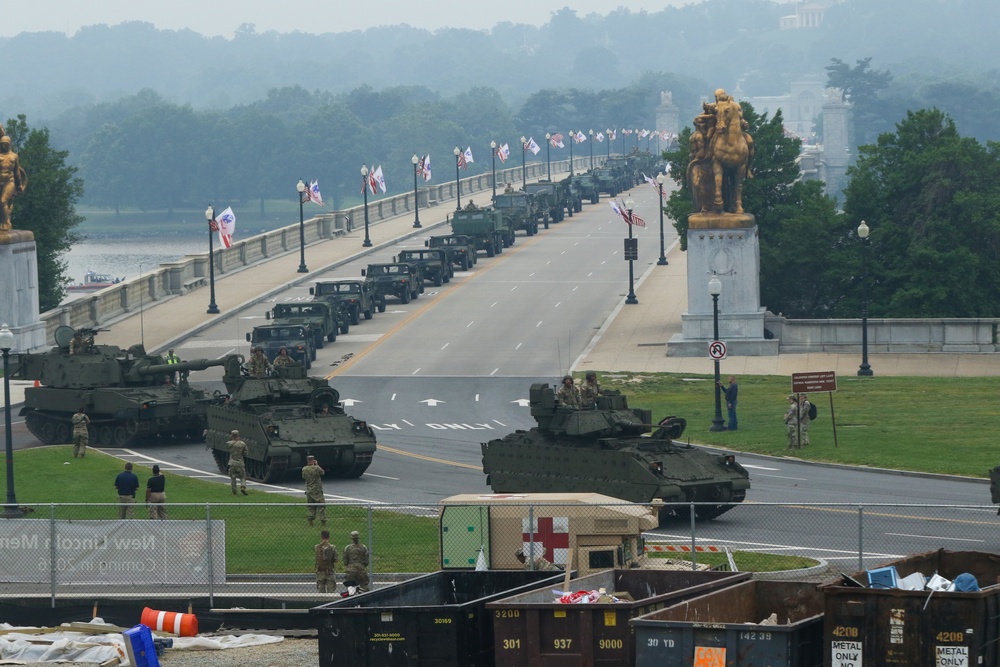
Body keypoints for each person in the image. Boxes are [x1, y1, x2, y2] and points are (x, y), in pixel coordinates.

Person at [0, 134, 27, 231]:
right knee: (5, 204)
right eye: (2, 144)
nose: (4, 146)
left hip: (9, 181)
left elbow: (17, 171)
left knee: (3, 201)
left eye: (5, 144)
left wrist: (19, 184)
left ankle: (5, 222)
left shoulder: (14, 156)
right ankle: (6, 220)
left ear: (9, 144)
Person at [302, 455, 327, 526]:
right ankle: (323, 522)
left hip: (309, 491)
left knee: (311, 507)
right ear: (313, 460)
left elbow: (303, 477)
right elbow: (322, 472)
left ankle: (310, 522)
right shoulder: (316, 468)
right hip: (317, 490)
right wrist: (317, 465)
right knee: (321, 506)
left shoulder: (304, 469)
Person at [227, 429, 249, 495]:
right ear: (238, 435)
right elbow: (246, 453)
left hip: (232, 463)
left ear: (232, 435)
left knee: (233, 477)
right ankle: (243, 486)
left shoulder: (229, 443)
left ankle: (234, 491)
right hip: (240, 463)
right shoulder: (242, 444)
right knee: (243, 476)